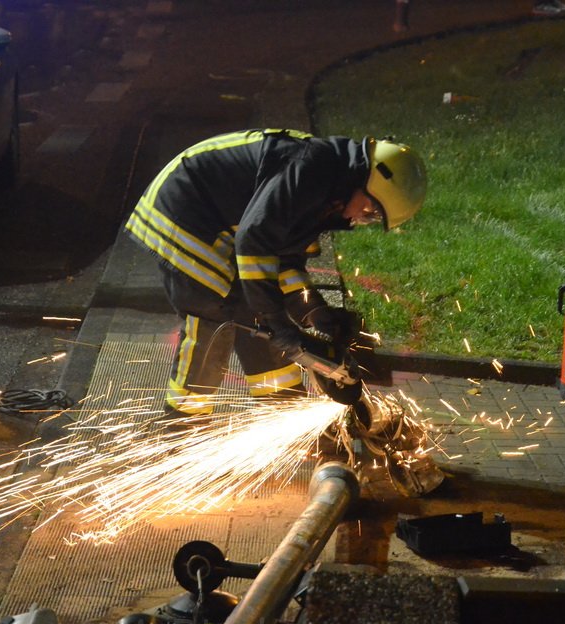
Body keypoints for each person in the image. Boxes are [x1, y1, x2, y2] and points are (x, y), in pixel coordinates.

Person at [124, 128, 427, 419]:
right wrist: (279, 324)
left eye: (372, 219)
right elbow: (255, 241)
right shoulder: (310, 171)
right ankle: (182, 424)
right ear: (368, 181)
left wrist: (316, 313)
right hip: (186, 211)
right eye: (370, 211)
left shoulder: (330, 190)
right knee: (216, 312)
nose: (360, 219)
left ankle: (281, 405)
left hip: (226, 222)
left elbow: (282, 261)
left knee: (260, 313)